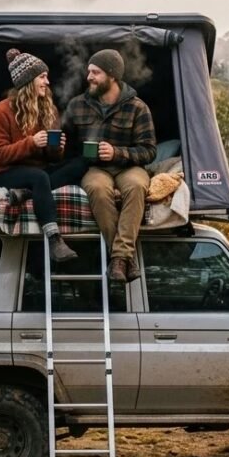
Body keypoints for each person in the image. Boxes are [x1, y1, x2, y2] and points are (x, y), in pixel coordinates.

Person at [0, 48, 88, 262]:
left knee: (80, 163)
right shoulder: (1, 111)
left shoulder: (48, 110)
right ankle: (55, 240)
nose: (47, 82)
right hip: (4, 171)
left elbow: (53, 159)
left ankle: (26, 193)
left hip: (35, 171)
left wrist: (55, 148)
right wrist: (31, 143)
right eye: (42, 77)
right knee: (39, 178)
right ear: (28, 80)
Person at [64, 49, 156, 282]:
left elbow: (149, 151)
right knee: (96, 188)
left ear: (112, 75)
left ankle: (118, 258)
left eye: (96, 72)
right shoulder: (77, 105)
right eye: (88, 72)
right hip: (95, 168)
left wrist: (117, 152)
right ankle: (125, 259)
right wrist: (56, 146)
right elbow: (68, 148)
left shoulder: (138, 107)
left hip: (129, 167)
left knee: (136, 186)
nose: (89, 77)